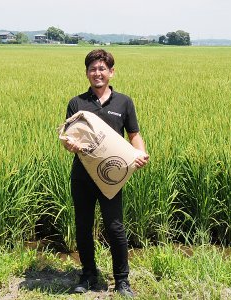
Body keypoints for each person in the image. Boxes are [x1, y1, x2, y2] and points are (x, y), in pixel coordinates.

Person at [63, 49, 149, 298]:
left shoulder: (124, 102)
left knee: (115, 228)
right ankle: (88, 275)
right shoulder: (76, 103)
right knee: (83, 226)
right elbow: (68, 137)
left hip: (112, 177)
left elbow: (134, 134)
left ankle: (122, 280)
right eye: (92, 69)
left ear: (111, 72)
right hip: (82, 176)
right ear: (87, 73)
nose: (97, 73)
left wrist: (140, 153)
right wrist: (69, 144)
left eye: (102, 68)